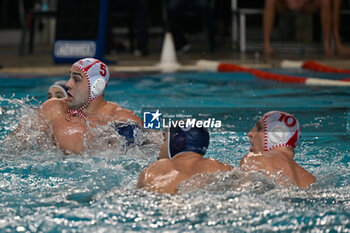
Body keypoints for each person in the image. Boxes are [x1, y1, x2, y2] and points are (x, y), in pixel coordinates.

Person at [36, 58, 142, 154]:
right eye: (70, 77)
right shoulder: (52, 109)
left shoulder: (122, 119)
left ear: (96, 86)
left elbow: (153, 145)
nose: (68, 84)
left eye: (76, 79)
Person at [137, 121, 232, 194]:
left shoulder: (156, 169)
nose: (160, 146)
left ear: (177, 143)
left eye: (164, 140)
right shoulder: (223, 168)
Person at [239, 111, 316, 188]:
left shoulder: (255, 159)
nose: (250, 133)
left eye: (259, 128)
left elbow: (239, 192)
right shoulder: (311, 180)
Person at [263, 0, 350, 55]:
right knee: (269, 1)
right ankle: (267, 44)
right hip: (285, 3)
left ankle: (327, 45)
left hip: (307, 4)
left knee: (325, 2)